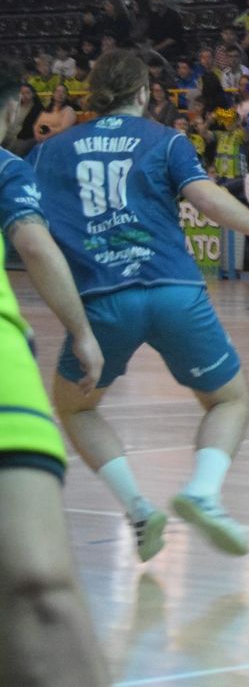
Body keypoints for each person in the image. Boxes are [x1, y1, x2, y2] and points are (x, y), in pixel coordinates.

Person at [32, 50, 249, 562]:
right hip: (173, 289)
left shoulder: (50, 152)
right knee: (230, 399)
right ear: (144, 93)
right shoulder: (165, 140)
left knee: (75, 407)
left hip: (100, 300)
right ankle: (204, 492)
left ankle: (139, 510)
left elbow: (30, 232)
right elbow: (207, 198)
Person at [0, 62, 111, 687]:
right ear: (18, 104)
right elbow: (35, 245)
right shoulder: (6, 168)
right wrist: (82, 330)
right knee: (40, 597)